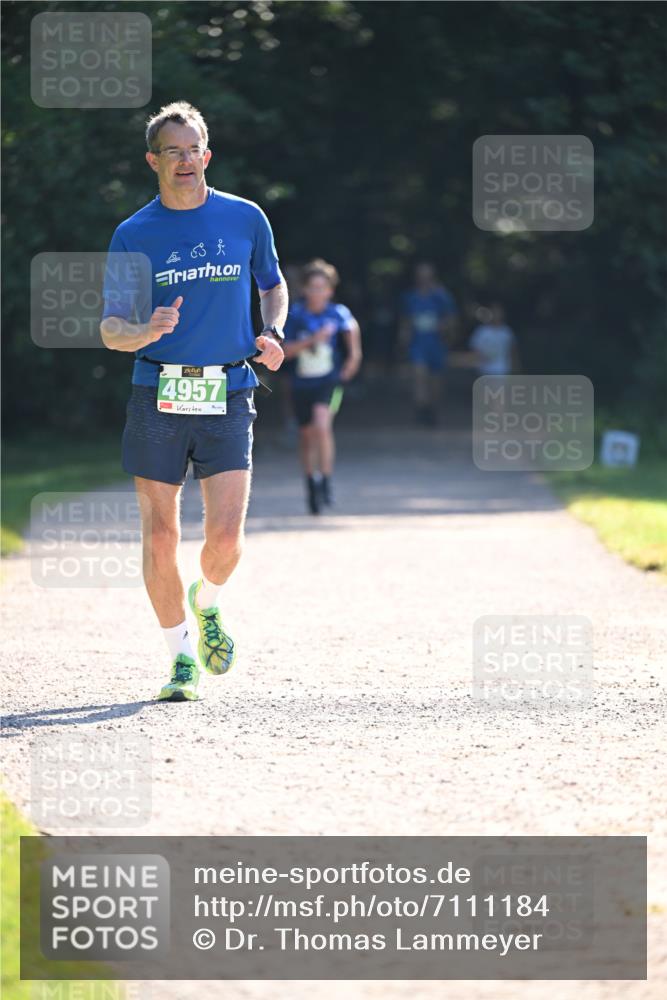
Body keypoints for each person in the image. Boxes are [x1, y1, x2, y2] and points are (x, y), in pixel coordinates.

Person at [100, 102, 287, 703]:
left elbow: (272, 284)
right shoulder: (134, 234)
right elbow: (111, 330)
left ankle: (206, 601)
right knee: (160, 537)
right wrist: (145, 330)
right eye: (172, 151)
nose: (184, 160)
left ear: (207, 155)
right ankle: (181, 658)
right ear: (152, 160)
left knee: (225, 538)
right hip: (157, 391)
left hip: (228, 389)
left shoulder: (245, 217)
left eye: (192, 149)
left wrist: (272, 330)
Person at [283, 259, 362, 514]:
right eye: (313, 287)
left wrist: (353, 358)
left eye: (322, 287)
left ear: (330, 290)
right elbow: (284, 351)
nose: (317, 292)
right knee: (306, 435)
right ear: (304, 289)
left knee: (322, 425)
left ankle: (326, 480)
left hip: (328, 381)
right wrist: (312, 341)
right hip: (301, 383)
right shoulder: (295, 315)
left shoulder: (337, 313)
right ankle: (311, 482)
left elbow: (351, 331)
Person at [399, 262, 458, 426]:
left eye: (427, 276)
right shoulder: (410, 297)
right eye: (421, 276)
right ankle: (421, 410)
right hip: (418, 344)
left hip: (437, 345)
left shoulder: (441, 297)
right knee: (419, 376)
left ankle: (433, 410)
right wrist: (403, 341)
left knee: (435, 382)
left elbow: (452, 319)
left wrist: (444, 327)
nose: (424, 280)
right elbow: (406, 321)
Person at [469, 303, 517, 376]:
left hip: (503, 372)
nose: (496, 314)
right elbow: (474, 352)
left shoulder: (507, 332)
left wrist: (515, 369)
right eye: (494, 312)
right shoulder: (481, 332)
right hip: (485, 372)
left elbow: (512, 352)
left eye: (498, 312)